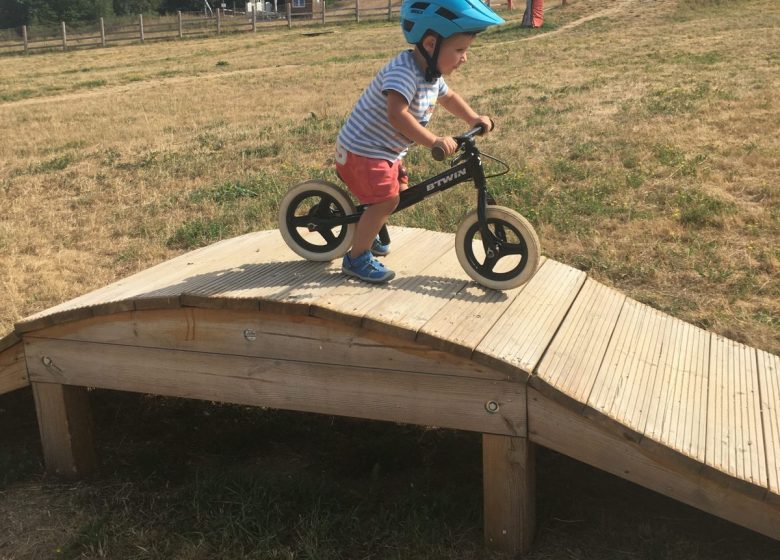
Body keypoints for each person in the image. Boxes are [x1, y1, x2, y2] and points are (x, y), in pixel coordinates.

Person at [336, 0, 504, 283]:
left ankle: (369, 226)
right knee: (386, 200)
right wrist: (434, 141)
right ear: (430, 44)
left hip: (385, 151)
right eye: (460, 50)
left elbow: (448, 97)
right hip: (362, 151)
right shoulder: (405, 71)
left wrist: (473, 118)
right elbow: (397, 115)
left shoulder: (430, 73)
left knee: (399, 192)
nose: (464, 57)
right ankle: (356, 258)